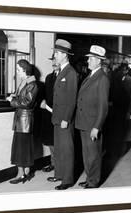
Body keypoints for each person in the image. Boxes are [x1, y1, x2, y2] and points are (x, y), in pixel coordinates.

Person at [75, 45, 110, 188]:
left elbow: (103, 107)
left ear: (98, 61)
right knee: (86, 154)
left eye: (90, 59)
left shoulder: (102, 78)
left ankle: (93, 181)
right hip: (84, 122)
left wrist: (97, 127)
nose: (88, 61)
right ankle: (90, 177)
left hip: (92, 124)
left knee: (93, 155)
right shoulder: (91, 76)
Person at [48, 39, 78, 190]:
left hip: (65, 119)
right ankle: (59, 174)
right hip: (57, 118)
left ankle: (67, 179)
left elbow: (72, 98)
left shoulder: (71, 73)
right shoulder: (61, 71)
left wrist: (67, 118)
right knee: (59, 148)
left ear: (65, 55)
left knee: (67, 150)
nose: (55, 56)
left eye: (57, 53)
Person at [6, 59, 38, 184]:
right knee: (21, 148)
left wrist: (11, 101)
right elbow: (23, 97)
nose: (17, 73)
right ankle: (25, 172)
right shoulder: (25, 82)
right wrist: (14, 97)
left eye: (19, 70)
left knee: (21, 149)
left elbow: (27, 102)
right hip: (21, 121)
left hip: (25, 122)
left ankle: (22, 174)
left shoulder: (32, 84)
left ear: (25, 70)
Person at [40, 54, 60, 172]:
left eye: (56, 60)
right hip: (48, 113)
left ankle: (59, 166)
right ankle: (54, 163)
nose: (54, 62)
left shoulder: (65, 76)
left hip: (59, 113)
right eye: (52, 59)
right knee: (51, 141)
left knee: (59, 141)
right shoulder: (49, 77)